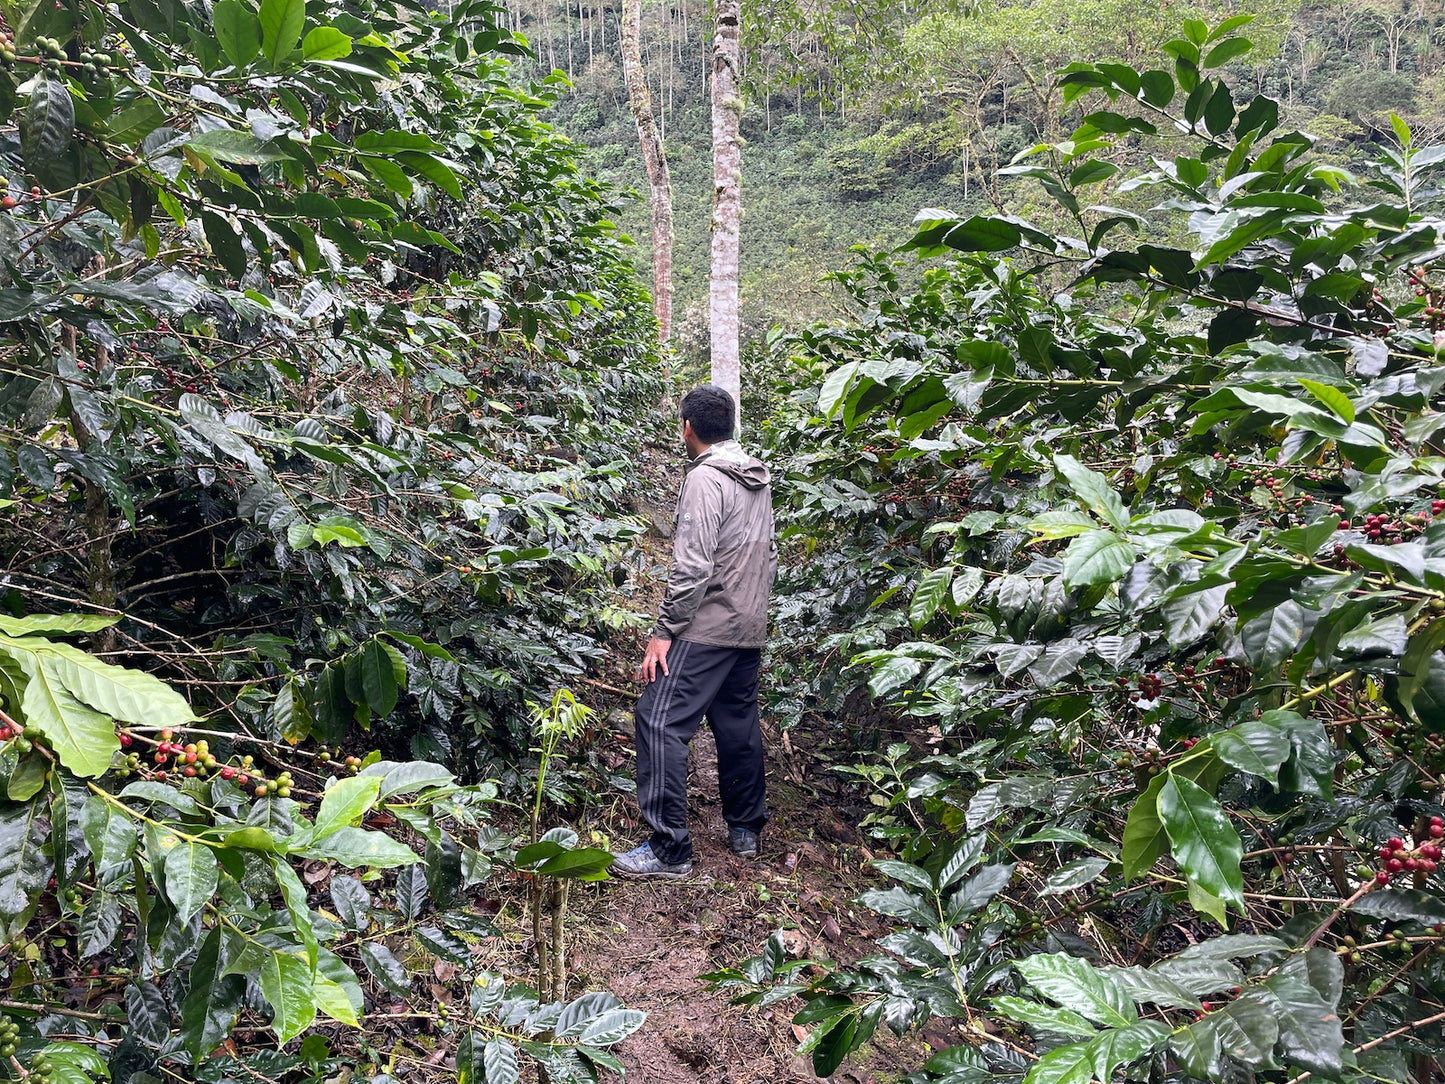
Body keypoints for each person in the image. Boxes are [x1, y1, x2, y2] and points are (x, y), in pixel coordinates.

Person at [612, 385, 777, 879]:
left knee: (658, 718)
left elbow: (692, 567)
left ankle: (669, 849)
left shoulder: (706, 478)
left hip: (708, 625)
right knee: (737, 722)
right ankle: (745, 829)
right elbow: (767, 553)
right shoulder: (756, 477)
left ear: (688, 427)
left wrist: (664, 631)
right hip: (749, 623)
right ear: (731, 425)